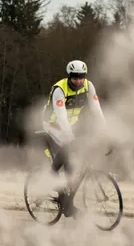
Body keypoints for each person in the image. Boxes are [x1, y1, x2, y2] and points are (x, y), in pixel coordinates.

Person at [42, 59, 106, 217]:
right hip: (53, 124)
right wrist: (71, 138)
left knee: (77, 163)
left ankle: (68, 202)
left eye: (81, 77)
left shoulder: (88, 86)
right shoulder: (59, 89)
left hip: (72, 124)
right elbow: (61, 117)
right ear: (69, 76)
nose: (78, 80)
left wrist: (106, 133)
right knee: (68, 152)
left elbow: (97, 110)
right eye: (75, 77)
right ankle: (52, 175)